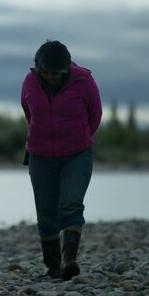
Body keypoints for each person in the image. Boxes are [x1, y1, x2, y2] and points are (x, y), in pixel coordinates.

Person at [21, 40, 102, 280]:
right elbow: (28, 112)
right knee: (45, 212)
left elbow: (95, 115)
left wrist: (78, 138)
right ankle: (52, 267)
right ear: (37, 68)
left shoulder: (84, 81)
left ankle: (69, 261)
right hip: (40, 154)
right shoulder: (29, 82)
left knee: (71, 204)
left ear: (66, 69)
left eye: (55, 73)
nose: (50, 77)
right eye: (45, 72)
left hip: (77, 153)